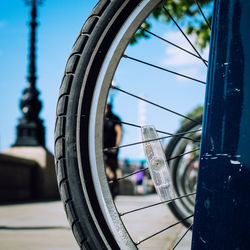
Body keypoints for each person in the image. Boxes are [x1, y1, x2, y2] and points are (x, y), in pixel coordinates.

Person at [104, 103, 122, 197]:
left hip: (111, 150)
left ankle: (113, 189)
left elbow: (119, 132)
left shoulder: (115, 119)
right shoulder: (100, 118)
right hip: (101, 149)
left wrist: (116, 146)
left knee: (112, 173)